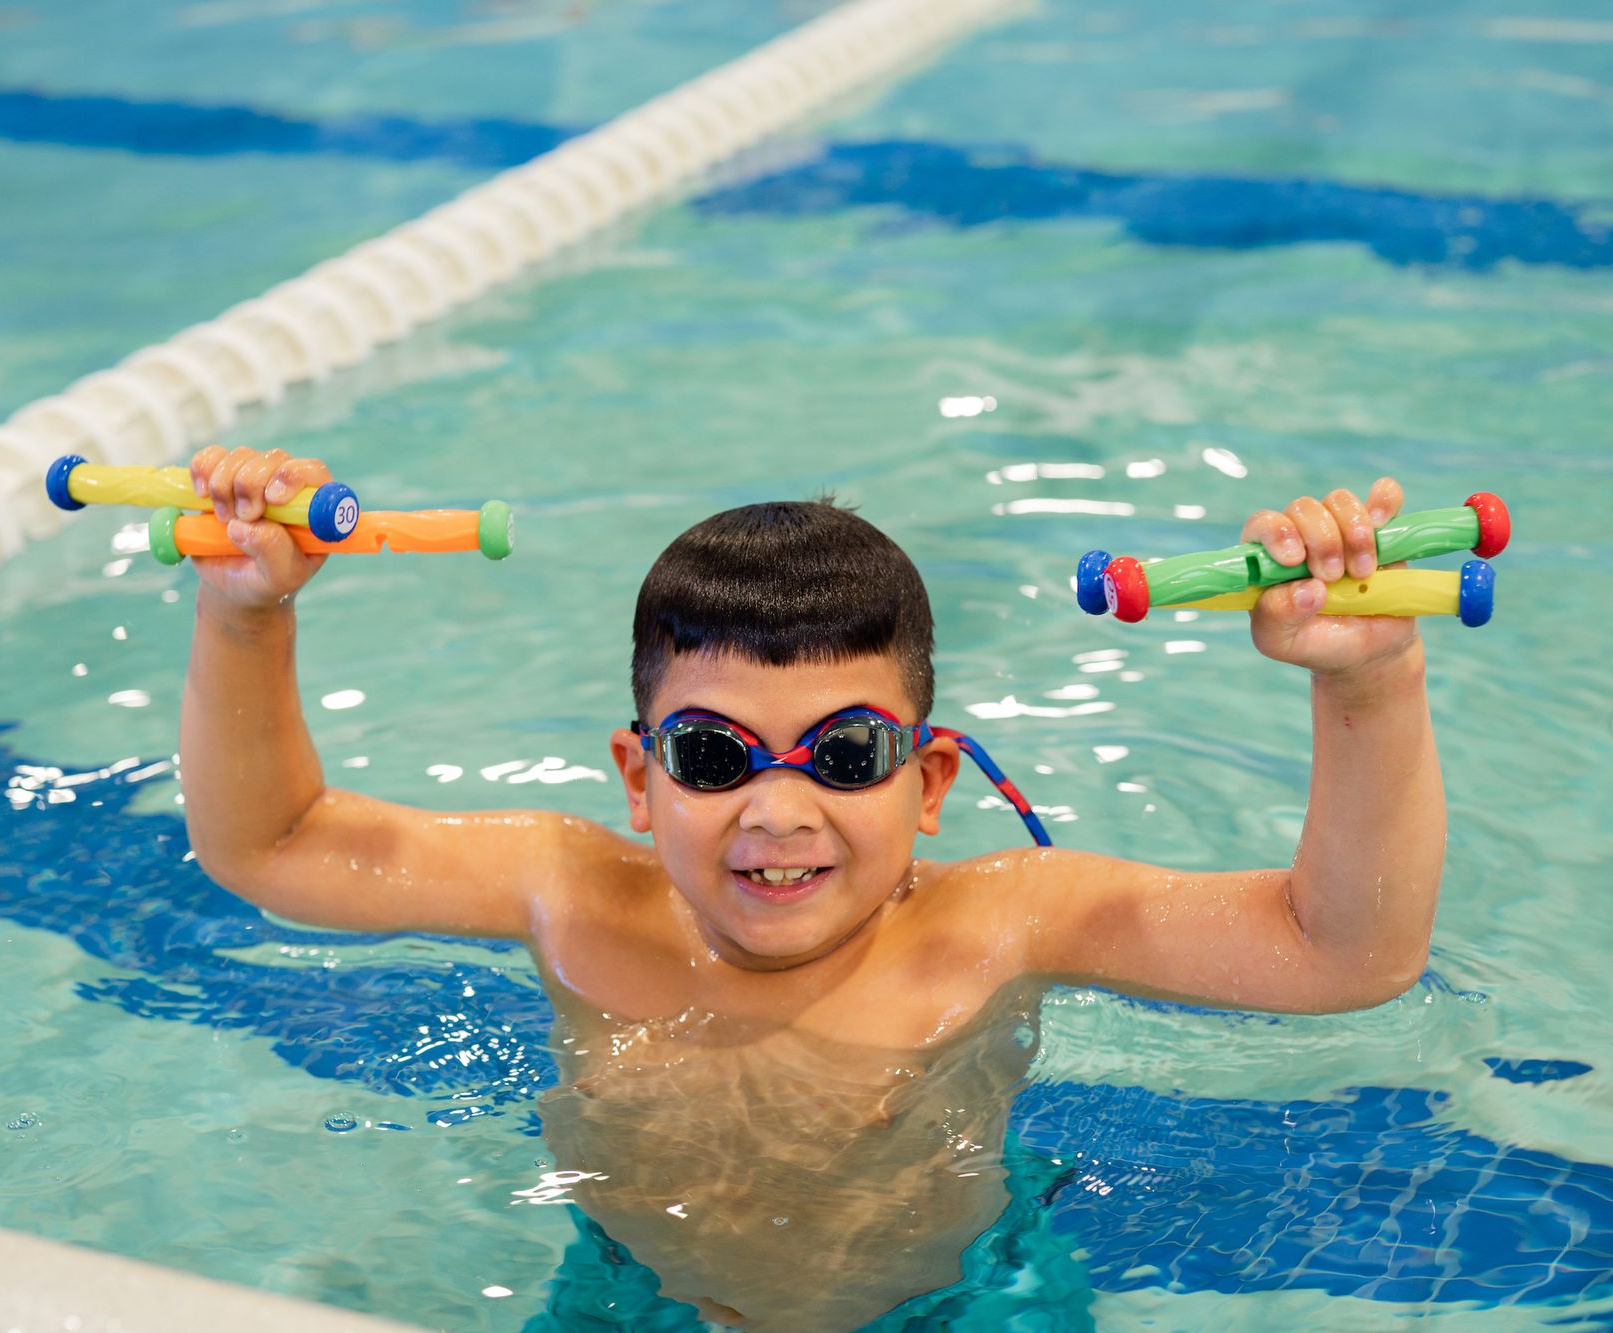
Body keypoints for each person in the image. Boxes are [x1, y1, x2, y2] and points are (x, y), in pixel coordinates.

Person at [178, 445, 1443, 1329]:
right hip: (632, 1295)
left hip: (953, 1305)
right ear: (637, 775)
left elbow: (1338, 955)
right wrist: (246, 616)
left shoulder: (999, 922)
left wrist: (1364, 682)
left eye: (843, 755)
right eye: (713, 755)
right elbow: (272, 843)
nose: (777, 811)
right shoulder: (569, 892)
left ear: (929, 780)